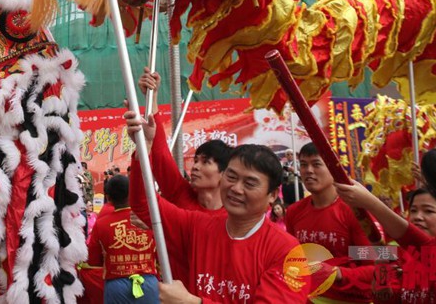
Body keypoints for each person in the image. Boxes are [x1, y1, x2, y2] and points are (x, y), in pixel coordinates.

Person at [127, 110, 308, 303]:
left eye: (250, 183)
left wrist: (192, 302)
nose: (236, 189)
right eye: (231, 177)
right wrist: (144, 148)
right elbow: (144, 203)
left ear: (272, 195)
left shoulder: (288, 252)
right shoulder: (197, 225)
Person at [335, 142, 436, 302]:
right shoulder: (399, 251)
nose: (418, 216)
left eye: (429, 210)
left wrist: (337, 272)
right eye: (414, 210)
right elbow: (355, 254)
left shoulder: (435, 246)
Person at [284, 142, 372, 302]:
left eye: (316, 164)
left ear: (334, 169)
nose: (308, 170)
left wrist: (338, 272)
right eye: (303, 165)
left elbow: (379, 263)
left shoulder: (355, 212)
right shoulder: (294, 211)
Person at [138, 69, 230, 214]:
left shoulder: (237, 217)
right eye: (196, 160)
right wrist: (152, 97)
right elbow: (160, 154)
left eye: (205, 162)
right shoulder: (180, 195)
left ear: (224, 174)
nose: (195, 167)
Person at [87, 174, 158, 303]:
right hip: (149, 284)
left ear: (108, 198)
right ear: (132, 194)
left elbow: (93, 261)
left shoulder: (101, 224)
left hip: (116, 287)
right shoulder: (149, 221)